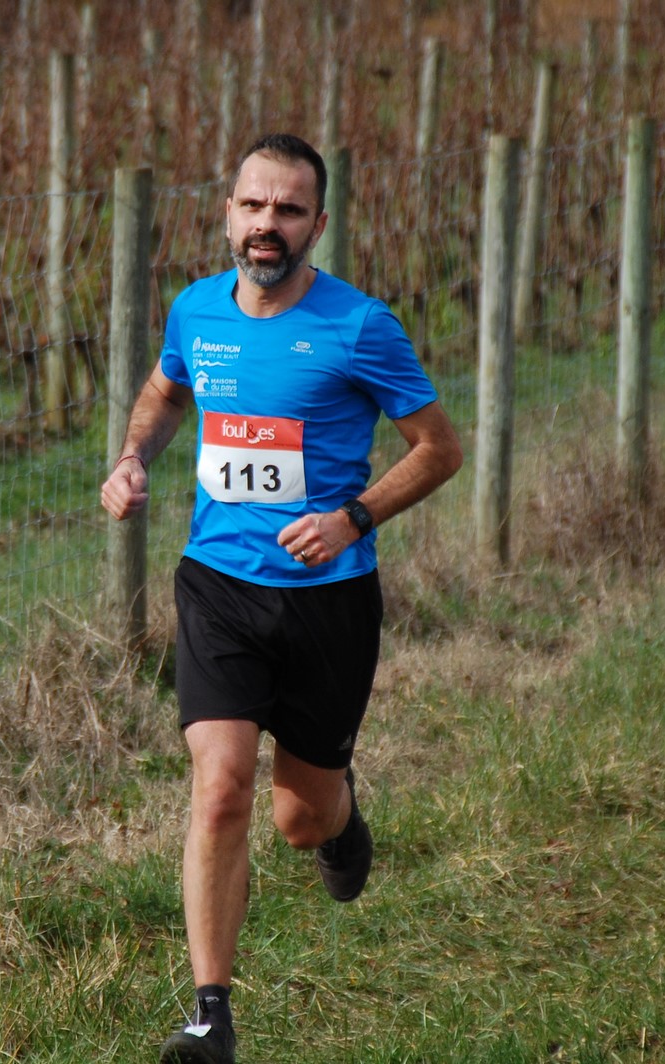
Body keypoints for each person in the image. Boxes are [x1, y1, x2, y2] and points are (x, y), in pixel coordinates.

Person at [100, 132, 463, 1064]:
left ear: (318, 225)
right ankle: (210, 1018)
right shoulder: (195, 310)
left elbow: (439, 448)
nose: (269, 225)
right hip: (218, 585)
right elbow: (165, 391)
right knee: (220, 789)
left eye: (289, 210)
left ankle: (342, 821)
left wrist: (354, 517)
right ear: (228, 213)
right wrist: (134, 458)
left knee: (299, 819)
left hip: (326, 603)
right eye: (254, 206)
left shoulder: (360, 327)